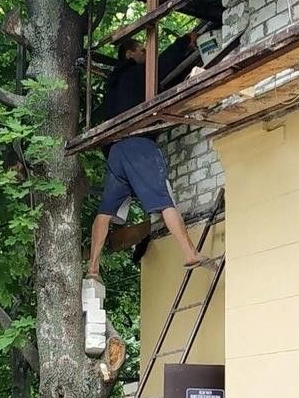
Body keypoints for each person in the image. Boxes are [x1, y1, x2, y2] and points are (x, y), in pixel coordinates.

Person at [87, 34, 217, 279]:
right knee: (163, 200)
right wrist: (184, 42)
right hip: (139, 145)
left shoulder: (112, 87)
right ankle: (190, 252)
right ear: (130, 53)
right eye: (143, 51)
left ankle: (93, 267)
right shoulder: (138, 75)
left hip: (115, 152)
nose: (147, 55)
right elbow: (163, 64)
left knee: (105, 211)